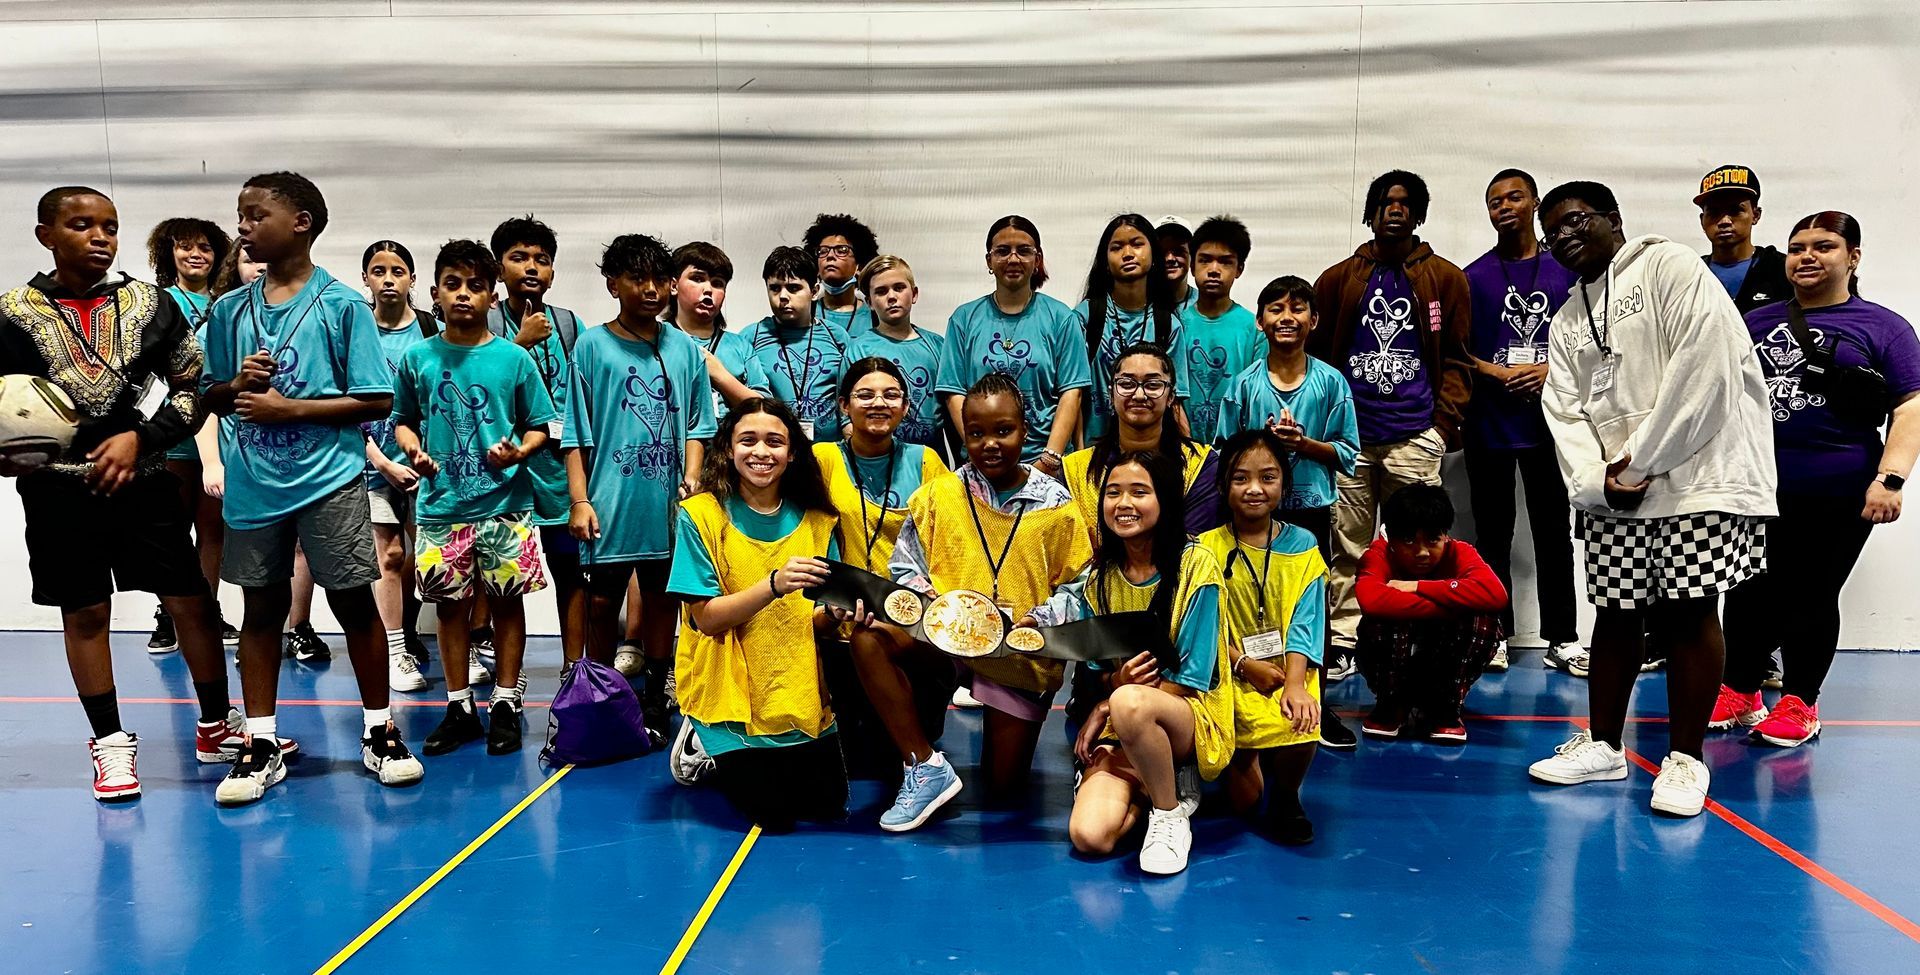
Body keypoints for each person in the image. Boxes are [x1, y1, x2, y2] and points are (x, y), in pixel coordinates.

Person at [0, 186, 259, 801]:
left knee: (189, 601)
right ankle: (111, 745)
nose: (100, 236)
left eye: (110, 226)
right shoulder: (9, 313)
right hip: (57, 492)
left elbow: (193, 388)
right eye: (82, 225)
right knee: (85, 611)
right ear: (45, 235)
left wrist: (141, 441)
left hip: (145, 484)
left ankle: (216, 726)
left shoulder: (149, 304)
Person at [1528, 180, 1777, 818]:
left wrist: (1639, 462)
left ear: (1613, 218)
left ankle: (1687, 760)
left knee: (1690, 612)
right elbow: (1563, 411)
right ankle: (1606, 746)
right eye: (1551, 230)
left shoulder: (1670, 267)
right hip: (1617, 495)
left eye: (1575, 220)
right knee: (1614, 613)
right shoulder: (1565, 318)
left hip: (1695, 479)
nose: (1563, 237)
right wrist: (1598, 480)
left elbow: (1706, 370)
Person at [200, 172, 422, 805]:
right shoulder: (228, 311)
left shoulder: (341, 304)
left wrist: (289, 411)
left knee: (355, 606)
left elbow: (377, 397)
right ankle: (262, 742)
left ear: (300, 223)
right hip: (254, 487)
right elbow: (207, 394)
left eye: (254, 214)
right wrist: (234, 385)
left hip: (327, 483)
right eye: (239, 215)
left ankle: (380, 731)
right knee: (260, 613)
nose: (241, 226)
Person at [1715, 212, 1920, 746]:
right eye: (1797, 248)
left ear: (1852, 257)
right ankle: (1739, 690)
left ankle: (1801, 702)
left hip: (1841, 487)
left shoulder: (1884, 326)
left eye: (1823, 247)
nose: (1806, 257)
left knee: (1811, 592)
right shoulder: (1753, 322)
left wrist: (1891, 479)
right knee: (1746, 591)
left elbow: (1911, 407)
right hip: (1756, 486)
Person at [885, 375, 1094, 805]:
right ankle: (924, 765)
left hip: (1017, 653)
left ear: (1025, 428)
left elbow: (1080, 585)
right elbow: (904, 566)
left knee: (1003, 792)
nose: (990, 443)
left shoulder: (1057, 504)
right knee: (870, 639)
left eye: (1003, 431)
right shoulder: (939, 495)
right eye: (976, 433)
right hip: (944, 642)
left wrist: (1039, 619)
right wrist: (938, 606)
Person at [394, 240, 557, 756]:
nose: (464, 295)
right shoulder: (417, 356)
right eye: (453, 285)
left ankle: (506, 702)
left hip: (506, 505)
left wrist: (520, 452)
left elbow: (543, 425)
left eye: (476, 286)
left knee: (508, 605)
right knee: (448, 609)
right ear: (436, 293)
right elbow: (402, 420)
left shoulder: (513, 358)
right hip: (442, 507)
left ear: (492, 295)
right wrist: (414, 450)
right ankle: (459, 705)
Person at [1310, 170, 1472, 684]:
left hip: (1414, 436)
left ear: (1419, 213)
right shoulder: (1340, 279)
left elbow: (1459, 360)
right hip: (1351, 439)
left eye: (1404, 203)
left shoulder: (1444, 278)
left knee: (1419, 545)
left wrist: (1441, 428)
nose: (1394, 210)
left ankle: (1419, 636)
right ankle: (1344, 639)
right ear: (1371, 212)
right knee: (1349, 545)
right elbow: (1315, 358)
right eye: (1384, 202)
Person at [1042, 452, 1233, 876]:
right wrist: (1112, 686)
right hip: (1127, 719)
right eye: (1113, 493)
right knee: (1090, 837)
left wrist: (1110, 701)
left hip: (1191, 717)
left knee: (1129, 701)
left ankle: (1168, 814)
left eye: (1139, 492)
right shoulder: (1099, 579)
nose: (1123, 503)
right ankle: (1153, 786)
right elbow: (1097, 672)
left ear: (1165, 500)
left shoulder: (1195, 565)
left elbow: (1194, 679)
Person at [666, 398, 846, 833]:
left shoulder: (820, 520)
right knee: (774, 817)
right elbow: (706, 619)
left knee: (827, 808)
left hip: (796, 688)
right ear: (727, 449)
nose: (761, 452)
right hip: (729, 688)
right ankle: (701, 736)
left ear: (793, 453)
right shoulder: (701, 515)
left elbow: (818, 620)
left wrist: (836, 614)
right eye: (748, 440)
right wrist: (773, 585)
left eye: (775, 442)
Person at [564, 233, 716, 744]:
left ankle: (654, 692)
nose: (651, 289)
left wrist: (693, 478)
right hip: (609, 502)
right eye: (637, 278)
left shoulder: (685, 349)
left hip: (668, 507)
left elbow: (700, 424)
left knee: (660, 599)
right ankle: (602, 691)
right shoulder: (590, 346)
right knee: (602, 603)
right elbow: (575, 433)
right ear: (613, 284)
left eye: (660, 279)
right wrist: (580, 499)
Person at [1212, 275, 1359, 748]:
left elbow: (1350, 454)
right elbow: (1221, 456)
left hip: (1309, 512)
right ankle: (1241, 694)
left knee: (1312, 609)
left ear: (1314, 320)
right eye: (1275, 309)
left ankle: (1318, 704)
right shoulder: (1242, 386)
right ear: (1260, 321)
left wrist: (1306, 445)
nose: (1286, 317)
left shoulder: (1330, 382)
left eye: (1298, 309)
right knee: (1245, 604)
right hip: (1248, 519)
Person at [809, 358, 955, 827]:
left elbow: (944, 545)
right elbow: (808, 539)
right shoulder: (824, 458)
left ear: (906, 406)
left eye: (891, 394)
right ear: (843, 404)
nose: (878, 403)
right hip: (839, 617)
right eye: (866, 394)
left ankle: (924, 764)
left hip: (910, 621)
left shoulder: (925, 461)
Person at [1461, 169, 1583, 675]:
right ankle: (1494, 636)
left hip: (1551, 426)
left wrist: (1549, 370)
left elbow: (1593, 341)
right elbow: (1457, 351)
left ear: (1534, 202)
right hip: (1490, 422)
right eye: (1494, 201)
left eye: (1514, 196)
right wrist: (1495, 371)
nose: (1504, 206)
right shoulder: (1472, 277)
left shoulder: (1569, 271)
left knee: (1554, 532)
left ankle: (1564, 638)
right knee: (1493, 533)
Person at [1200, 430, 1326, 844]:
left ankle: (1288, 795)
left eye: (1268, 478)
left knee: (1302, 714)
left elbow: (1305, 625)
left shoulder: (1304, 545)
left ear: (1284, 485)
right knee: (1243, 804)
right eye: (1240, 478)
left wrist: (1293, 683)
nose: (1255, 489)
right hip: (1229, 671)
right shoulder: (1204, 549)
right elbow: (1202, 628)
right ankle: (1244, 758)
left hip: (1285, 668)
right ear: (1223, 485)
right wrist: (1243, 663)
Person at [488, 215, 588, 673]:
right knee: (502, 580)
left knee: (571, 575)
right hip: (504, 474)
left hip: (558, 472)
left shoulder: (569, 324)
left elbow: (585, 396)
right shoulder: (484, 323)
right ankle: (505, 678)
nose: (531, 267)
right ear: (498, 265)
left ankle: (574, 667)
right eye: (519, 257)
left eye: (541, 260)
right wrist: (519, 343)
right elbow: (479, 388)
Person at [935, 216, 1089, 478]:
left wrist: (1050, 459)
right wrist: (978, 449)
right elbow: (953, 393)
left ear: (1037, 259)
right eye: (1003, 251)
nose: (1013, 259)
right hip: (982, 464)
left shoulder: (1062, 318)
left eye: (1024, 251)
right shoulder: (963, 319)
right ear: (989, 261)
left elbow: (1071, 392)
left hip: (1046, 464)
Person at [1353, 484, 1508, 742]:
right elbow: (1372, 601)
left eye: (1433, 539)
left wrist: (1417, 587)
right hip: (1393, 662)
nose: (1422, 552)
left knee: (1484, 619)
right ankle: (1391, 704)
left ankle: (1445, 707)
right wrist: (1453, 605)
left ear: (1445, 536)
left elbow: (1495, 594)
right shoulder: (1377, 555)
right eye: (1409, 540)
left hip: (1442, 662)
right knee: (1379, 621)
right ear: (1390, 537)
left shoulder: (1461, 552)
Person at [148, 216, 239, 654]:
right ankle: (170, 614)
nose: (195, 254)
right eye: (185, 247)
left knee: (212, 532)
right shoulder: (157, 303)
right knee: (171, 531)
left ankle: (207, 608)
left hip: (219, 436)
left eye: (204, 246)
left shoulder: (229, 302)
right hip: (171, 436)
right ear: (169, 253)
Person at [359, 240, 436, 694]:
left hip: (426, 469)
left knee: (430, 559)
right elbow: (344, 405)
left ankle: (452, 643)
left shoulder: (430, 330)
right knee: (388, 557)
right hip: (373, 466)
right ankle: (395, 651)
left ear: (411, 279)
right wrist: (383, 462)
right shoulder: (356, 331)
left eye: (398, 271)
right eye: (378, 270)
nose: (388, 279)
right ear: (366, 279)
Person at [1062, 343, 1223, 536]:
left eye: (1153, 385)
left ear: (1171, 396)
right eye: (1127, 384)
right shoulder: (1074, 471)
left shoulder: (1202, 466)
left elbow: (1196, 545)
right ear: (1111, 395)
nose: (1139, 395)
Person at [1074, 213, 1184, 442]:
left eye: (1137, 244)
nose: (1127, 254)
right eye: (1117, 247)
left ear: (1154, 255)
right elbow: (1072, 394)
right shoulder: (1085, 317)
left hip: (1151, 452)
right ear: (1104, 261)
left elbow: (1176, 401)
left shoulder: (1168, 324)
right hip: (1093, 452)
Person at [749, 246, 852, 443]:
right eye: (775, 288)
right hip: (775, 451)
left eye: (793, 288)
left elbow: (848, 395)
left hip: (830, 450)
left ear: (814, 291)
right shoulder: (751, 337)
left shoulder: (837, 336)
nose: (783, 296)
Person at [846, 255, 946, 454]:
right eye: (881, 291)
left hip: (931, 460)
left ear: (914, 294)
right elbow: (847, 419)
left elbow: (950, 410)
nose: (891, 297)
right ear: (870, 302)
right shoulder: (858, 349)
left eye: (899, 288)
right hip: (876, 462)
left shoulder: (937, 345)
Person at [1177, 216, 1263, 442]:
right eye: (1205, 260)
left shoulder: (1253, 328)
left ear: (1239, 269)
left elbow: (1256, 396)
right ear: (1192, 266)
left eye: (1225, 262)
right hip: (1182, 447)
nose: (1214, 270)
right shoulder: (1175, 324)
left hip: (1235, 448)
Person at [667, 241, 765, 429]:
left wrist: (720, 375)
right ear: (674, 285)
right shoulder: (657, 339)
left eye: (717, 283)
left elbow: (764, 409)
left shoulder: (740, 346)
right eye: (697, 278)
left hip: (729, 451)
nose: (708, 289)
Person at [1695, 165, 1792, 315]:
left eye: (1735, 210)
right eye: (1714, 212)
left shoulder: (1781, 269)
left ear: (1756, 215)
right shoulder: (1692, 273)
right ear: (1702, 221)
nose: (1724, 221)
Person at [806, 213, 879, 337]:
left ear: (859, 266)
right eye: (823, 251)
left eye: (841, 250)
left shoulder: (876, 315)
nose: (830, 256)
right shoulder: (806, 312)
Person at [1157, 216, 1196, 312]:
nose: (1170, 258)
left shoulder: (1205, 304)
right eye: (1162, 252)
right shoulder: (1140, 304)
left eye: (1178, 251)